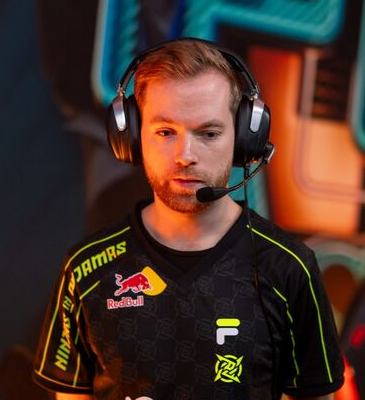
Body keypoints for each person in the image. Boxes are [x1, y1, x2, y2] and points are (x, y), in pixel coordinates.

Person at [32, 38, 344, 400]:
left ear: (244, 139)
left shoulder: (289, 267)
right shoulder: (85, 270)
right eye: (165, 132)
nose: (185, 155)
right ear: (131, 137)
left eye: (208, 133)